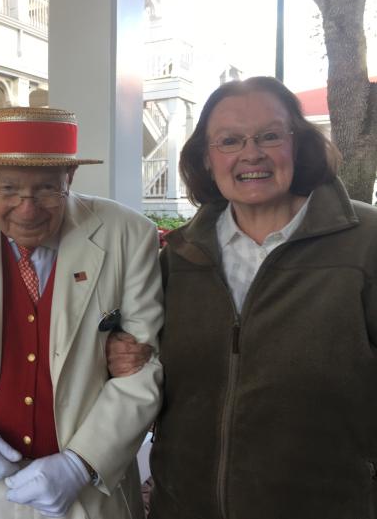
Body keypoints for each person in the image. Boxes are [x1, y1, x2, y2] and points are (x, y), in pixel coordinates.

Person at [133, 76, 376, 519]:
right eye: (229, 140)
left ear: (297, 144)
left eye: (269, 135)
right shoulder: (178, 258)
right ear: (207, 160)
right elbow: (149, 368)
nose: (251, 153)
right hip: (183, 506)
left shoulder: (367, 243)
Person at [0, 106, 164, 518]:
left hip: (90, 497)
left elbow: (145, 364)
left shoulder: (129, 234)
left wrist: (82, 462)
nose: (28, 208)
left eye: (48, 189)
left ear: (70, 178)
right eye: (10, 189)